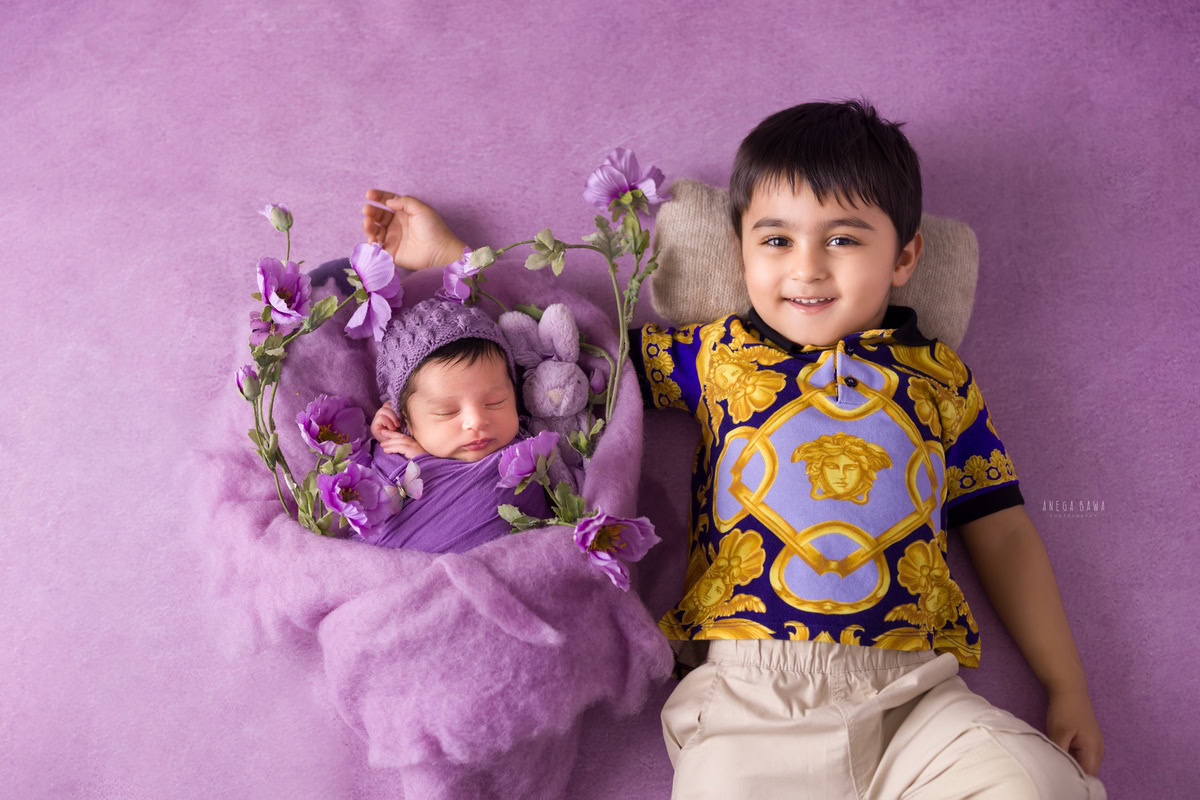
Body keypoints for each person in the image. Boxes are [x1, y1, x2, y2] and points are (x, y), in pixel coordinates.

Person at [357, 99, 1105, 798]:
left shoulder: (940, 379)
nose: (806, 267)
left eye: (843, 239)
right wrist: (456, 259)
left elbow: (1002, 531)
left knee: (1033, 782)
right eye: (776, 240)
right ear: (742, 251)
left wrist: (1064, 682)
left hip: (917, 696)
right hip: (754, 695)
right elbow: (569, 354)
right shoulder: (721, 353)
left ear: (905, 257)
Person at [357, 297, 550, 553]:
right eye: (447, 412)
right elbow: (371, 526)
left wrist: (428, 464)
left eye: (495, 402)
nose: (477, 421)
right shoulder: (394, 458)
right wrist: (420, 464)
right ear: (406, 421)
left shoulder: (527, 455)